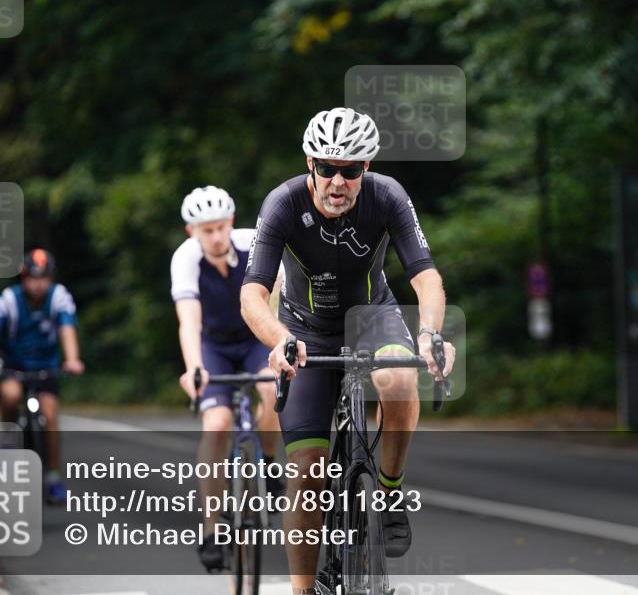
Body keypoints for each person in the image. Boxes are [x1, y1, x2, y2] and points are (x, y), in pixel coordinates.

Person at [241, 107, 456, 594]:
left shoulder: (387, 197)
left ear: (368, 167)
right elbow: (252, 294)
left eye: (352, 169)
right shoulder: (282, 204)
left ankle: (389, 491)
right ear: (309, 163)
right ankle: (302, 589)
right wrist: (279, 341)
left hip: (372, 319)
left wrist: (431, 335)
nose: (338, 181)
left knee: (398, 377)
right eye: (327, 168)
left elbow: (425, 276)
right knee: (307, 472)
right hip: (305, 331)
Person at [172, 185, 284, 571]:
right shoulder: (185, 259)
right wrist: (194, 369)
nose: (216, 236)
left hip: (256, 337)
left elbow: (276, 307)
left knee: (273, 390)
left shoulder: (256, 245)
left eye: (221, 227)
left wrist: (278, 350)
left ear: (231, 223)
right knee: (217, 424)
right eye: (207, 230)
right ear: (192, 232)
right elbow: (189, 321)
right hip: (214, 346)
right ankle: (211, 528)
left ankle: (268, 463)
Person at [0, 249, 85, 503]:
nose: (38, 284)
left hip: (46, 366)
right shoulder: (8, 300)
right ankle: (7, 440)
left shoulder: (59, 297)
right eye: (33, 278)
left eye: (44, 278)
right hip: (13, 365)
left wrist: (72, 360)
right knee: (11, 395)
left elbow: (67, 329)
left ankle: (54, 476)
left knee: (50, 413)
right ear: (23, 279)